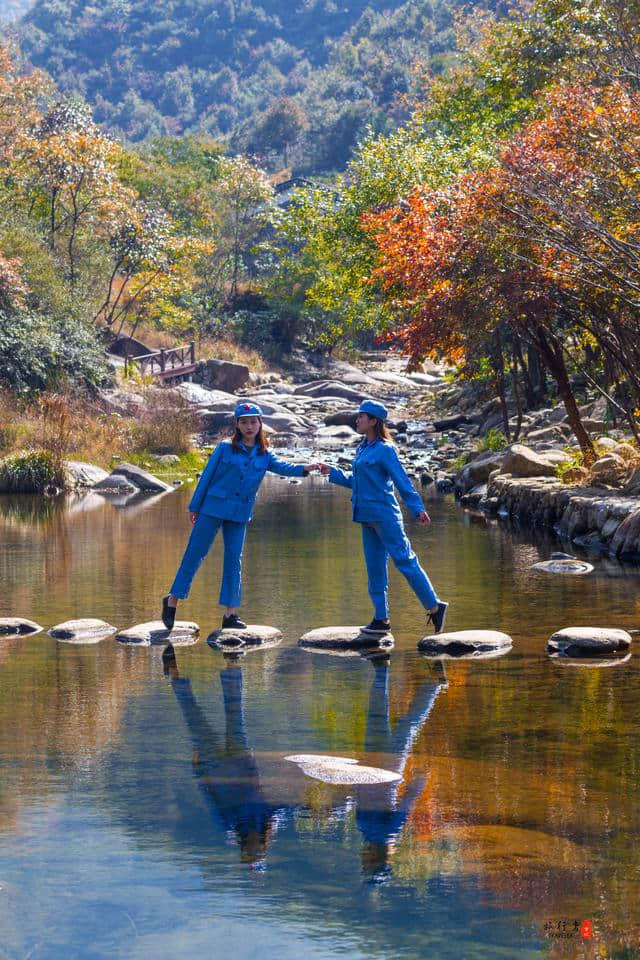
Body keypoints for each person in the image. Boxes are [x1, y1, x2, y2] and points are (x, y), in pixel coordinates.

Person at [162, 401, 319, 631]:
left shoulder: (265, 455)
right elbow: (206, 476)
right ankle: (172, 600)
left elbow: (286, 468)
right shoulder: (224, 448)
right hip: (211, 508)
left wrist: (308, 468)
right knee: (195, 554)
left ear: (260, 424)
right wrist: (194, 506)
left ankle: (230, 615)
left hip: (239, 513)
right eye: (244, 422)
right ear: (237, 424)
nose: (249, 426)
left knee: (234, 561)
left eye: (253, 421)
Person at [319, 399, 448, 634]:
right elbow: (357, 482)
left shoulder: (385, 449)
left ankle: (435, 606)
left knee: (406, 561)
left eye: (361, 416)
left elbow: (402, 481)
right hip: (366, 517)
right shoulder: (363, 448)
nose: (356, 420)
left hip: (386, 516)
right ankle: (381, 619)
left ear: (373, 421)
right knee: (375, 569)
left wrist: (417, 508)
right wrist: (334, 473)